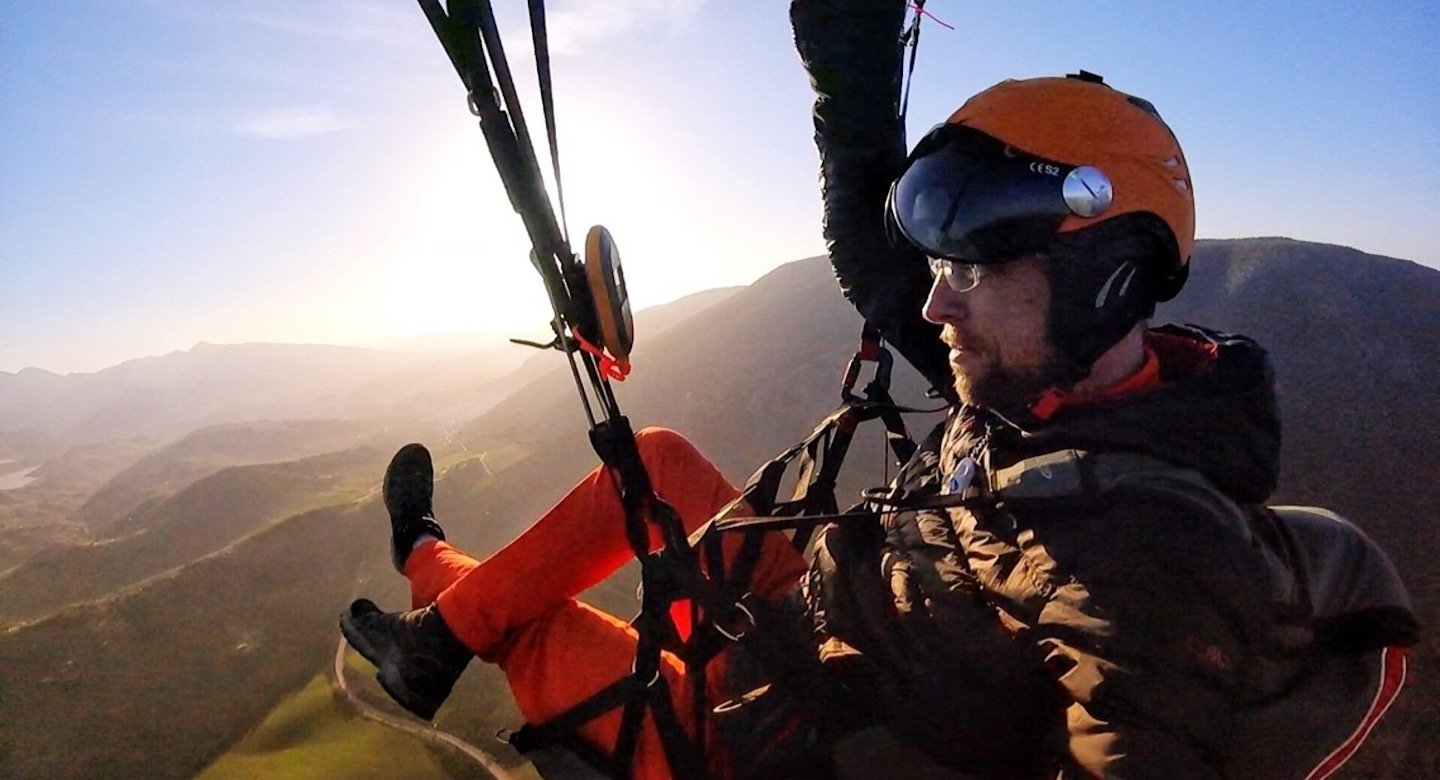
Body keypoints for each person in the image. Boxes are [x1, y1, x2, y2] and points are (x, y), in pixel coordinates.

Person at [343, 2, 1416, 776]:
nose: (939, 310)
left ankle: (435, 601)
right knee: (659, 460)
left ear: (1108, 277)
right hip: (830, 603)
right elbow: (873, 251)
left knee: (524, 629)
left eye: (977, 273)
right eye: (945, 272)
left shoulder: (1147, 563)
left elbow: (1137, 736)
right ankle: (429, 605)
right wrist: (844, 52)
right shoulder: (1043, 376)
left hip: (777, 725)